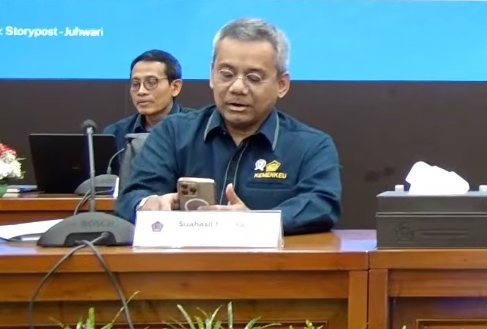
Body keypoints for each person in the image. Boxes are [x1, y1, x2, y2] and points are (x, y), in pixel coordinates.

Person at [115, 18, 342, 235]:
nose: (237, 88)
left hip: (269, 261)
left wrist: (253, 222)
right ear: (212, 75)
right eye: (227, 74)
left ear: (281, 84)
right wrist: (148, 204)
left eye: (253, 78)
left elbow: (321, 204)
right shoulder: (173, 133)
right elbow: (131, 197)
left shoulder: (311, 146)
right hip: (185, 260)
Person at [103, 50, 188, 169]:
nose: (141, 91)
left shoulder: (196, 129)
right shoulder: (115, 134)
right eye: (135, 84)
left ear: (175, 87)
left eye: (151, 82)